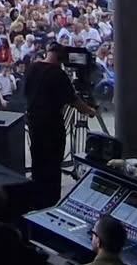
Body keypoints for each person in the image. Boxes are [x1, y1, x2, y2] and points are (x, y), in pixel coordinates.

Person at [20, 42, 88, 210]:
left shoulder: (32, 69)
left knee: (38, 161)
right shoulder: (58, 74)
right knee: (52, 164)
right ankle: (50, 201)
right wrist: (91, 110)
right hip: (51, 127)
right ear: (61, 58)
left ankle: (36, 197)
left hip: (34, 123)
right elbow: (74, 101)